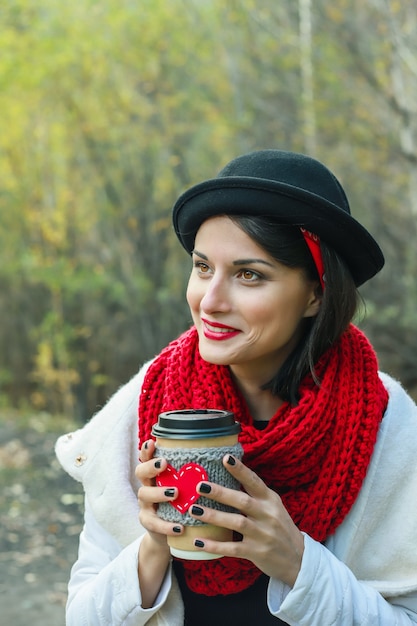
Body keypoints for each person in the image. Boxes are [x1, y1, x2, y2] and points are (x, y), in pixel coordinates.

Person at [56, 149, 417, 626]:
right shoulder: (143, 407)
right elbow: (82, 617)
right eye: (203, 267)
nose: (210, 300)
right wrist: (152, 548)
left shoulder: (387, 425)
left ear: (316, 294)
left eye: (249, 275)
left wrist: (298, 563)